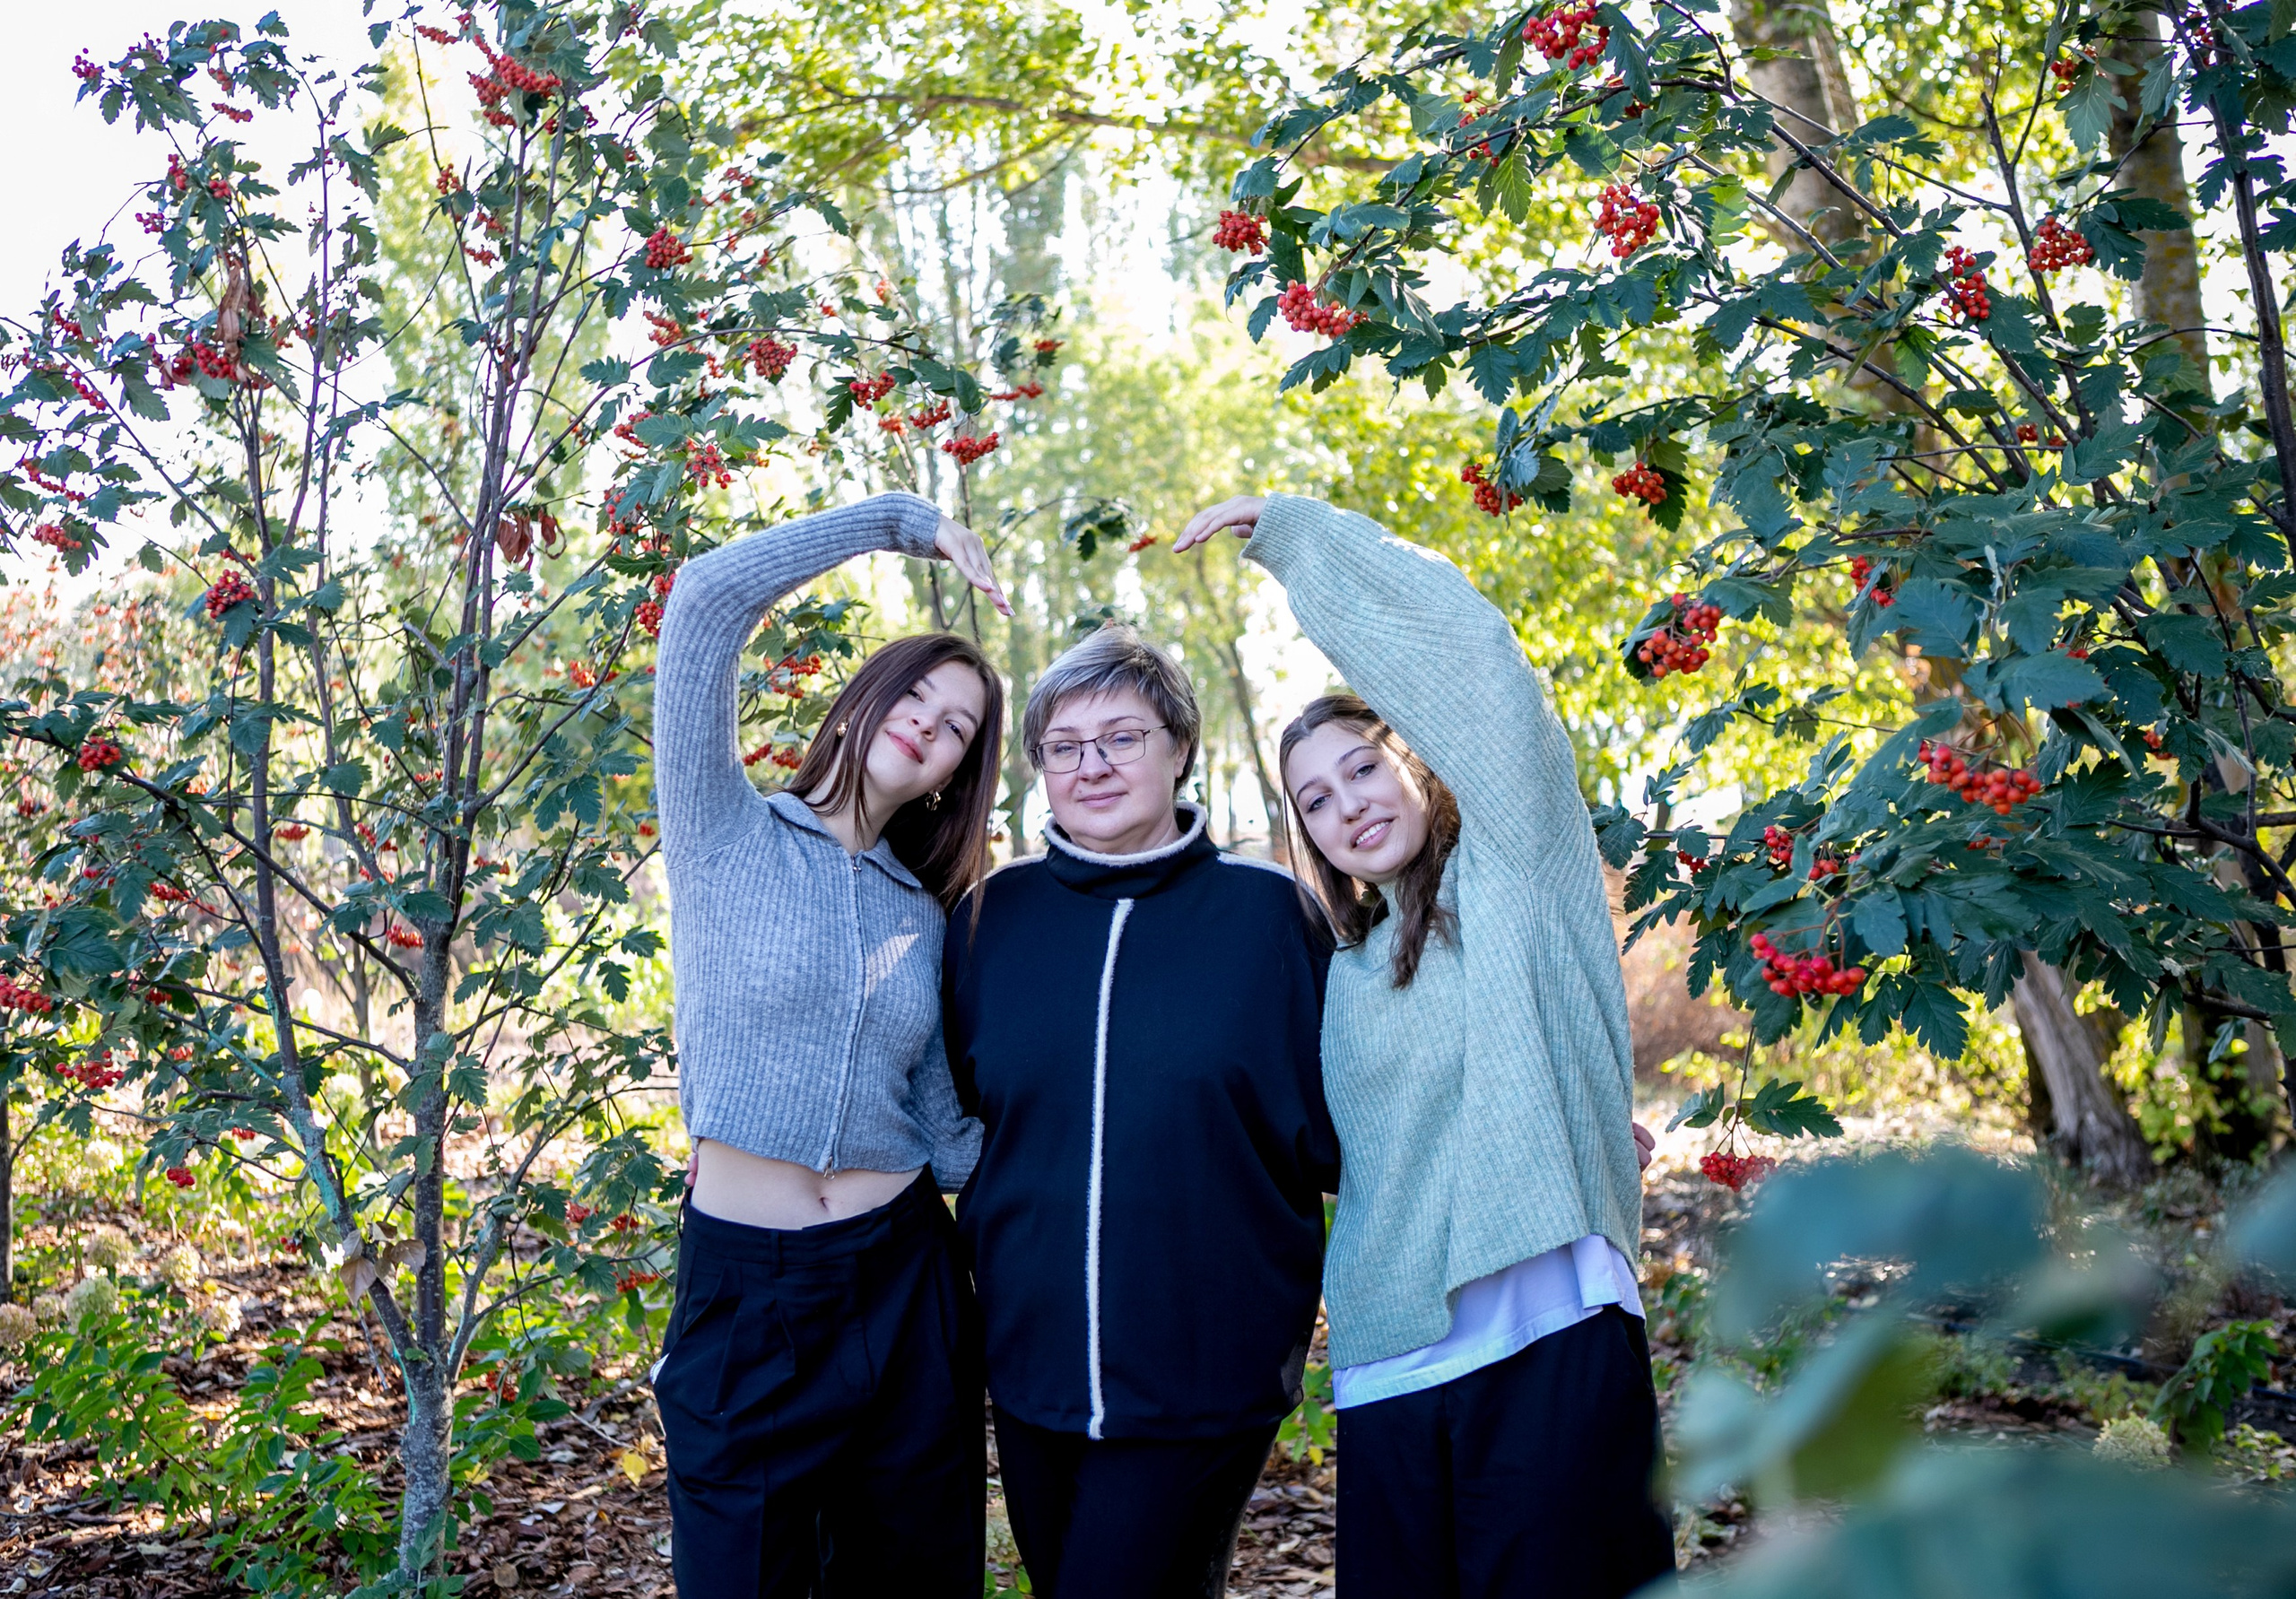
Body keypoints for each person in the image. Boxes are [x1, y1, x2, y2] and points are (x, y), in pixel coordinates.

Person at [1176, 492, 1676, 1599]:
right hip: (1390, 1366)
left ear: (1416, 758)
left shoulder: (1517, 869)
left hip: (1548, 1338)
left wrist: (1299, 535)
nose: (1346, 806)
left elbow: (1480, 663)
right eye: (1314, 799)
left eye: (1362, 768)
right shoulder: (1344, 969)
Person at [649, 491, 1011, 1598]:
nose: (930, 724)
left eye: (958, 727)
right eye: (917, 693)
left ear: (953, 775)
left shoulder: (924, 913)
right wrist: (901, 522)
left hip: (904, 1284)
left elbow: (947, 1128)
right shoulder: (724, 828)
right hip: (745, 1294)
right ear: (860, 702)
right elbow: (703, 600)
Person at [940, 624, 1341, 1599]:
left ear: (1179, 747)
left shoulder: (1271, 916)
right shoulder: (990, 920)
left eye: (1121, 737)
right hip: (1030, 1363)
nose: (1093, 766)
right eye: (1065, 747)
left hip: (1207, 1365)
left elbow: (1365, 1117)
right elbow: (943, 1114)